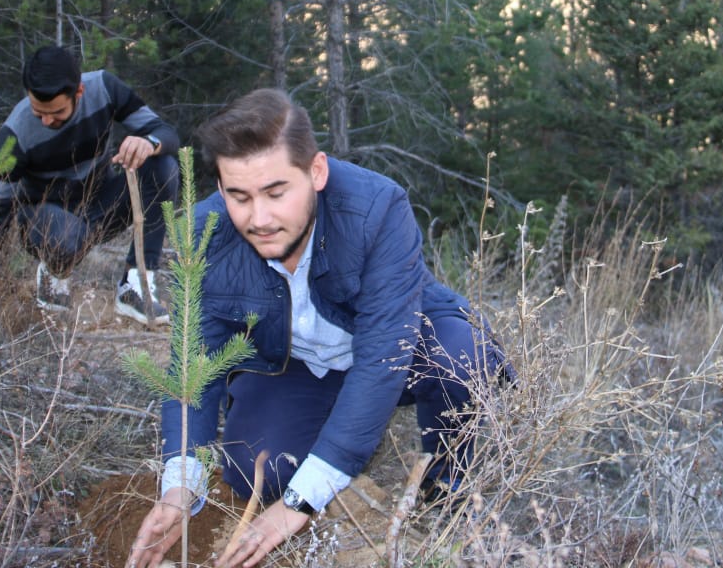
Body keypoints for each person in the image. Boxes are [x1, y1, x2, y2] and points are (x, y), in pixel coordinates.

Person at [127, 88, 510, 568]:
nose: (259, 219)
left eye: (276, 192)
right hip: (298, 365)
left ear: (317, 172)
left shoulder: (377, 210)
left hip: (400, 347)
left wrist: (300, 503)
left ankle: (448, 495)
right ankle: (319, 442)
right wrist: (180, 486)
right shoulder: (205, 234)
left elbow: (381, 359)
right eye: (239, 197)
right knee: (255, 471)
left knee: (461, 357)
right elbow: (194, 368)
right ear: (221, 189)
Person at [0, 46, 179, 323]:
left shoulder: (103, 88)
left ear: (78, 92)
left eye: (55, 112)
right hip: (45, 220)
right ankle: (55, 273)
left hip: (99, 207)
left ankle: (136, 284)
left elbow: (166, 133)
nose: (45, 120)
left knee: (163, 166)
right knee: (64, 234)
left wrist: (147, 142)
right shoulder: (15, 133)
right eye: (37, 110)